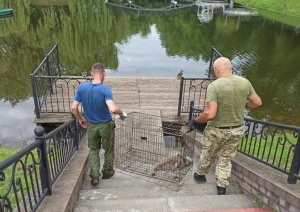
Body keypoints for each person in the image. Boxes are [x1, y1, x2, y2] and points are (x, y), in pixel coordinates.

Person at [188, 57, 262, 195]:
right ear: (230, 68)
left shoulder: (215, 86)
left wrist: (196, 120)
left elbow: (210, 114)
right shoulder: (245, 82)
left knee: (208, 153)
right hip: (236, 130)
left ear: (216, 70)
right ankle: (222, 187)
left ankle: (200, 175)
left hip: (216, 130)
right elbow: (257, 102)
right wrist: (244, 103)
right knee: (226, 158)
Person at [71, 62, 127, 186]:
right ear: (104, 74)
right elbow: (112, 109)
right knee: (108, 149)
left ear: (91, 73)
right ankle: (107, 172)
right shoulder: (105, 90)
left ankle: (95, 176)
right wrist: (122, 113)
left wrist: (80, 119)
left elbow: (74, 107)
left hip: (91, 125)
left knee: (93, 150)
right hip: (106, 125)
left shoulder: (82, 88)